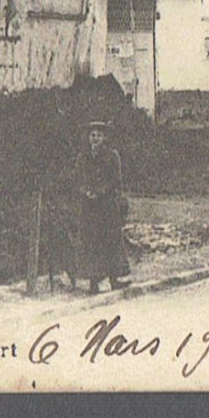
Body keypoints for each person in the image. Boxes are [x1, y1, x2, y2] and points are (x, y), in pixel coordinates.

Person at [74, 121, 131, 294]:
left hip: (107, 206)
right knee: (91, 243)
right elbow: (78, 180)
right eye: (92, 135)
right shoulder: (82, 157)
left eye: (99, 135)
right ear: (88, 138)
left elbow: (116, 180)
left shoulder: (112, 156)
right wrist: (86, 192)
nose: (95, 139)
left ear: (104, 137)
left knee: (111, 241)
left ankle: (114, 280)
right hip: (89, 207)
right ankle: (93, 284)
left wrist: (100, 192)